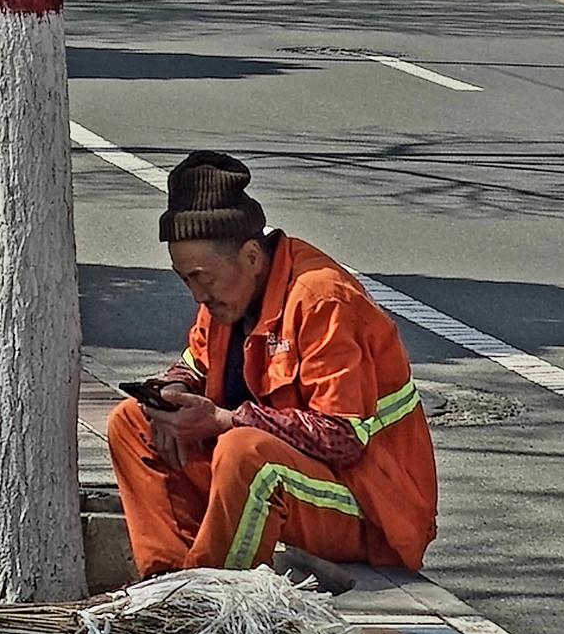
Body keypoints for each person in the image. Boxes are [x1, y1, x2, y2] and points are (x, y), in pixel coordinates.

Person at [108, 151, 437, 577]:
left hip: (370, 507)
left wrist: (226, 420)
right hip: (297, 483)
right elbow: (195, 363)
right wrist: (174, 393)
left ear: (250, 256)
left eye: (201, 276)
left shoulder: (321, 299)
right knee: (132, 423)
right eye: (184, 278)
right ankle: (168, 584)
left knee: (244, 451)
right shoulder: (227, 296)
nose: (196, 294)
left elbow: (342, 437)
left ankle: (211, 606)